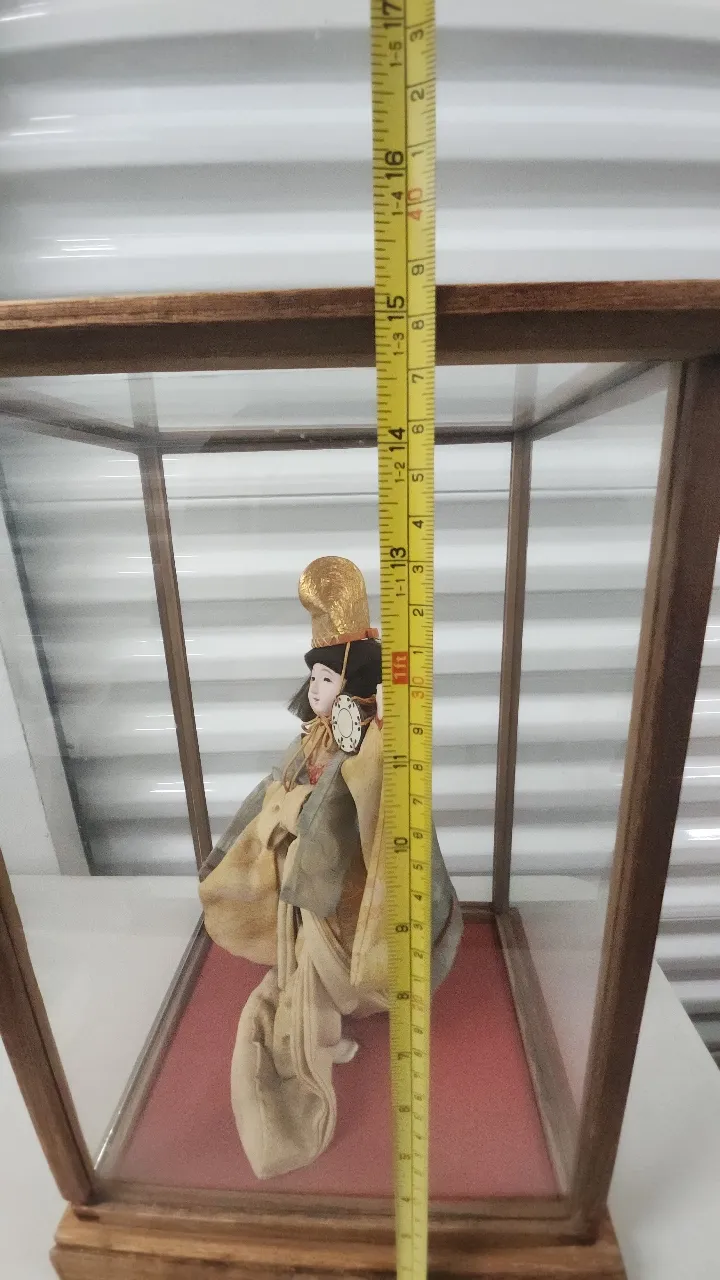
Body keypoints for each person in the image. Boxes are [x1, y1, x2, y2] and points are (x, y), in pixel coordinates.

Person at [199, 556, 462, 1178]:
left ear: (353, 685)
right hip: (304, 868)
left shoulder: (366, 743)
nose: (315, 688)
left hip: (344, 878)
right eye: (313, 677)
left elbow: (353, 807)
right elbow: (286, 784)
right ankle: (322, 1027)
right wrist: (276, 814)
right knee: (299, 958)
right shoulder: (320, 735)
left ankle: (323, 1031)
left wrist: (294, 812)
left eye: (325, 677)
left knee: (324, 961)